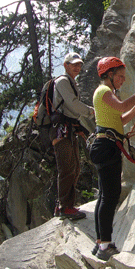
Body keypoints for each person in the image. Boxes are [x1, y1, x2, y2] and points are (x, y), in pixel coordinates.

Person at [89, 56, 135, 260]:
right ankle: (105, 246)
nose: (123, 80)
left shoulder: (106, 94)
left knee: (105, 196)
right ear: (109, 74)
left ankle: (101, 242)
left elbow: (121, 118)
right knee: (110, 195)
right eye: (121, 76)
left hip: (106, 145)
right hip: (107, 146)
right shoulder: (104, 91)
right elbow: (123, 108)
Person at [50, 52, 94, 220]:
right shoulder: (62, 81)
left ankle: (65, 205)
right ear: (65, 65)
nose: (77, 67)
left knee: (74, 167)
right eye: (73, 64)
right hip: (60, 130)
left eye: (79, 64)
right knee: (67, 167)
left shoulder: (69, 82)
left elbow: (70, 110)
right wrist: (91, 111)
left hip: (67, 128)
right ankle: (64, 207)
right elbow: (73, 105)